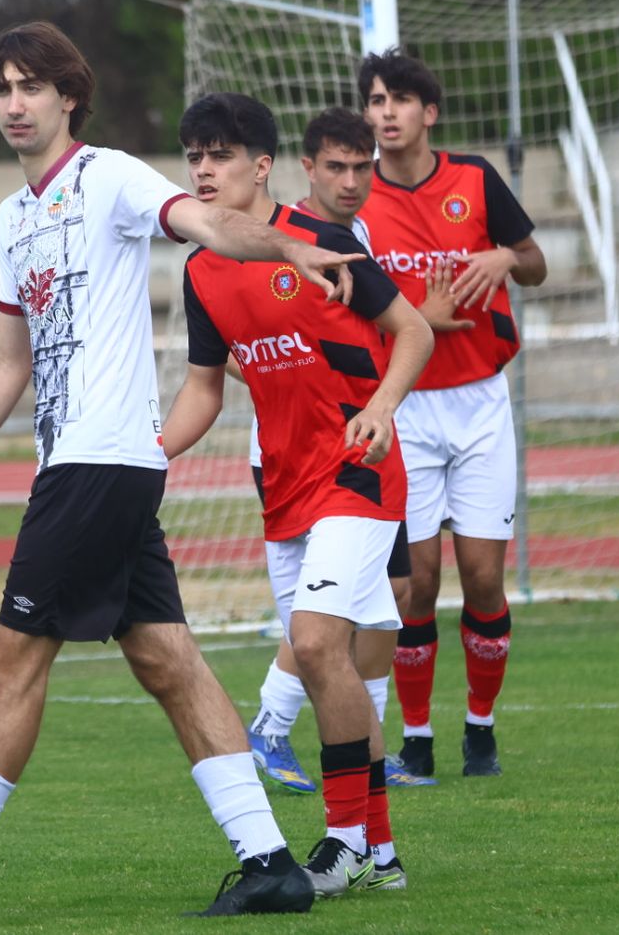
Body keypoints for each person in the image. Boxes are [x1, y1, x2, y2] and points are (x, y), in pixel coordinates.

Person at [0, 22, 366, 923]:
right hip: (87, 464)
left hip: (99, 462)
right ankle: (270, 862)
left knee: (11, 659)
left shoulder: (107, 175)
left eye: (32, 86)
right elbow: (7, 360)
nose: (15, 103)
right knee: (166, 657)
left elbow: (207, 222)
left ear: (69, 96)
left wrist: (289, 247)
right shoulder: (12, 218)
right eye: (2, 89)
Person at [165, 92, 434, 896]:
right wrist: (143, 456)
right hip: (283, 490)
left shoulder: (324, 242)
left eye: (219, 155)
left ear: (259, 165)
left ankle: (343, 840)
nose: (203, 171)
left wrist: (382, 407)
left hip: (358, 474)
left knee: (318, 645)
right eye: (194, 157)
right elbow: (203, 392)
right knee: (326, 667)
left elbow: (413, 330)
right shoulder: (202, 271)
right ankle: (380, 856)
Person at [356, 49, 548, 781]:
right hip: (405, 405)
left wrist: (504, 258)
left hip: (479, 405)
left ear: (428, 113)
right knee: (418, 582)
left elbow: (537, 262)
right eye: (376, 101)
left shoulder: (474, 179)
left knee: (484, 576)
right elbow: (349, 309)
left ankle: (481, 731)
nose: (386, 113)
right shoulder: (358, 199)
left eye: (399, 100)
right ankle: (416, 737)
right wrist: (422, 321)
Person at [223, 109, 419, 795]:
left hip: (356, 454)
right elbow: (222, 349)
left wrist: (375, 400)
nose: (351, 180)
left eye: (363, 167)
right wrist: (281, 377)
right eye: (336, 166)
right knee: (323, 627)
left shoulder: (350, 237)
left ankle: (365, 778)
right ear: (301, 166)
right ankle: (277, 725)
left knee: (380, 597)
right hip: (290, 455)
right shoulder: (251, 246)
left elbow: (399, 330)